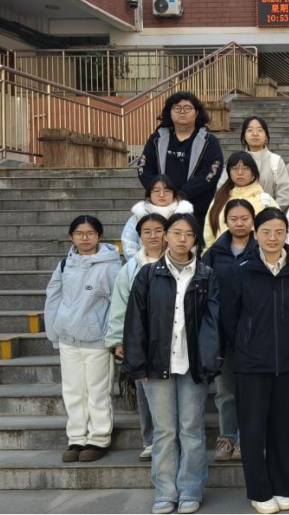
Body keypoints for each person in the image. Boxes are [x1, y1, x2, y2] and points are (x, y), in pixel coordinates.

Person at [123, 213, 220, 515]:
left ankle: (190, 490)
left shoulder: (206, 275)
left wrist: (208, 363)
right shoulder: (149, 274)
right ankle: (165, 492)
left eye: (188, 234)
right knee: (164, 433)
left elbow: (213, 323)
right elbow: (135, 321)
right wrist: (138, 365)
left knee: (191, 430)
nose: (182, 239)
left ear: (195, 240)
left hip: (193, 367)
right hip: (157, 365)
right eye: (176, 232)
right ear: (166, 236)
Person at [223, 208, 289, 514]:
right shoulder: (241, 270)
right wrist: (247, 345)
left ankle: (282, 487)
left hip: (288, 362)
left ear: (287, 234)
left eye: (279, 232)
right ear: (255, 233)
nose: (273, 238)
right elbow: (230, 318)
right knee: (252, 429)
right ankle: (260, 491)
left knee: (283, 428)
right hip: (251, 363)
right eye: (266, 232)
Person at [44, 215, 122, 464]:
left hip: (97, 339)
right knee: (73, 391)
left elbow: (119, 303)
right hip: (68, 338)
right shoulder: (65, 264)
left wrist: (115, 337)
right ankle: (76, 437)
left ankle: (99, 438)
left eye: (90, 233)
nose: (85, 238)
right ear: (71, 237)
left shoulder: (111, 266)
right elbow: (53, 297)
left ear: (99, 236)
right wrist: (54, 331)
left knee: (97, 391)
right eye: (79, 233)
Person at [105, 213, 168, 463]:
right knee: (144, 391)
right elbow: (119, 306)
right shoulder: (130, 268)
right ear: (139, 236)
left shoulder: (179, 261)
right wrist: (118, 340)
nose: (153, 236)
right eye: (147, 232)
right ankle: (150, 440)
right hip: (141, 339)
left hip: (172, 339)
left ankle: (171, 440)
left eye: (158, 230)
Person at [201, 199, 257, 463]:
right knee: (225, 391)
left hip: (254, 333)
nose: (240, 223)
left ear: (253, 220)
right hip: (222, 333)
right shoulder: (214, 253)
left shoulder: (260, 249)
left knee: (251, 390)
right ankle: (227, 437)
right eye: (234, 219)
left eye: (245, 218)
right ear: (226, 221)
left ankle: (248, 438)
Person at [138, 91, 224, 225]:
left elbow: (210, 173)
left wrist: (182, 194)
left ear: (196, 113)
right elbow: (144, 168)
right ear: (170, 112)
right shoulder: (157, 139)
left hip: (198, 211)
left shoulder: (208, 141)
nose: (182, 111)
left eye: (187, 108)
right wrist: (161, 191)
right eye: (177, 108)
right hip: (161, 209)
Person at [203, 151, 279, 249]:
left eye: (245, 168)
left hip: (257, 256)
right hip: (222, 256)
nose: (240, 172)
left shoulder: (266, 201)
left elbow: (278, 230)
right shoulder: (219, 199)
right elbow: (208, 233)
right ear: (229, 172)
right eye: (235, 168)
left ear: (253, 171)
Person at [121, 175, 194, 261]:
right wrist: (139, 262)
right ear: (149, 194)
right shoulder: (139, 215)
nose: (162, 195)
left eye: (167, 191)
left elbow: (193, 242)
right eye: (156, 191)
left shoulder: (184, 215)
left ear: (174, 194)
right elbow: (128, 242)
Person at [224, 116, 289, 207]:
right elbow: (222, 189)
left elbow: (284, 195)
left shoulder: (276, 161)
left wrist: (269, 212)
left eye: (259, 130)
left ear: (266, 136)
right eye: (250, 130)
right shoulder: (235, 160)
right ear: (244, 136)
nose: (255, 134)